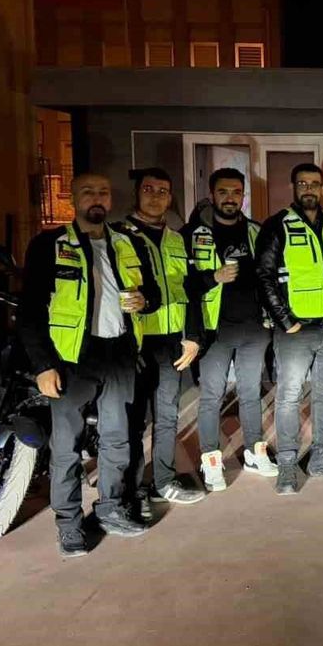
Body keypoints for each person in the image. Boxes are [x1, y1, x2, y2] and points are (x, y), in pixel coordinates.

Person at [17, 171, 158, 557]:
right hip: (72, 359)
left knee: (117, 438)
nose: (97, 198)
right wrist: (43, 365)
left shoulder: (128, 242)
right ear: (73, 199)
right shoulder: (50, 245)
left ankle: (111, 508)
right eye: (88, 192)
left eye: (103, 192)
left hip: (120, 355)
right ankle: (69, 525)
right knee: (67, 446)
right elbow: (30, 312)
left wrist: (145, 300)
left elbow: (153, 293)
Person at [255, 163, 323, 495]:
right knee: (288, 396)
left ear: (322, 187)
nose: (309, 189)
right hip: (296, 331)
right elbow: (264, 276)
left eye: (314, 183)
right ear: (294, 187)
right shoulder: (277, 225)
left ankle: (321, 458)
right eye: (303, 183)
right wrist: (287, 322)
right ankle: (287, 465)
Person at [114, 168, 205, 517]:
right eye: (149, 189)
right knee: (133, 421)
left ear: (170, 198)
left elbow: (190, 292)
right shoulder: (118, 236)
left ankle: (164, 480)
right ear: (137, 193)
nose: (155, 196)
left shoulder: (177, 240)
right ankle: (133, 488)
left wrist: (192, 338)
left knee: (167, 415)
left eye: (163, 191)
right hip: (134, 342)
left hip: (171, 341)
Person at [183, 167, 277, 493]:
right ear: (212, 194)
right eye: (223, 192)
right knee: (212, 395)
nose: (230, 198)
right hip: (215, 331)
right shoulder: (192, 234)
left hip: (253, 328)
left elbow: (269, 275)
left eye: (236, 192)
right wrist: (214, 278)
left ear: (243, 195)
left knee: (251, 392)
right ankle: (211, 460)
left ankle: (254, 452)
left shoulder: (256, 231)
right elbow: (185, 284)